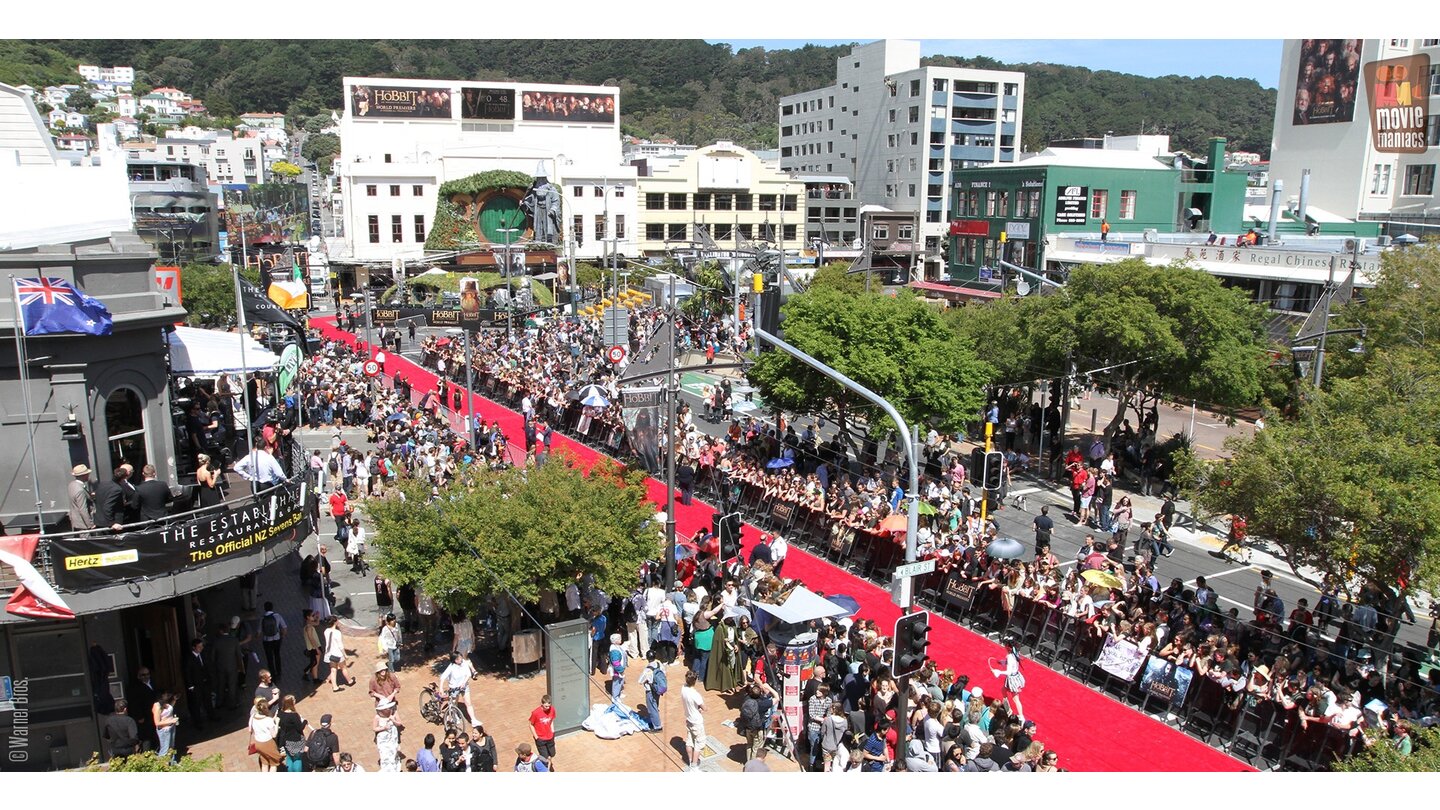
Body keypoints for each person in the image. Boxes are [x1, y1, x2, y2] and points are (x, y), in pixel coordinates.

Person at [247, 697, 283, 772]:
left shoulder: (253, 717)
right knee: (273, 764)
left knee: (264, 762)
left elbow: (251, 729)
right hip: (268, 743)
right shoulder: (268, 720)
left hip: (258, 743)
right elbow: (274, 734)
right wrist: (277, 723)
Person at [681, 669, 706, 772]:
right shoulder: (695, 694)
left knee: (689, 741)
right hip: (696, 721)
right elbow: (704, 707)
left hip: (688, 718)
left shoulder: (683, 688)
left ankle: (691, 761)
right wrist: (700, 709)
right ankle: (694, 766)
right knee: (699, 744)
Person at [276, 694, 309, 772]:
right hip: (296, 740)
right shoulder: (293, 716)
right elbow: (300, 727)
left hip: (286, 740)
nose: (295, 701)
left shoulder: (280, 713)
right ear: (291, 703)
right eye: (294, 700)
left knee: (289, 758)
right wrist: (305, 722)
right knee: (297, 759)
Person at [639, 650, 667, 732]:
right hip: (658, 689)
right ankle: (654, 721)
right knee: (655, 705)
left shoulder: (648, 669)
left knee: (652, 708)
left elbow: (640, 681)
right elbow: (664, 673)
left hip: (650, 691)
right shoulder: (659, 664)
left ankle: (657, 726)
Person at [259, 601, 287, 681]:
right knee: (277, 655)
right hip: (277, 639)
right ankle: (279, 672)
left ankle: (272, 674)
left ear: (264, 608)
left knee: (269, 658)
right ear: (272, 608)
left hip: (267, 641)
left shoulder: (262, 618)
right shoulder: (277, 616)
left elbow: (258, 631)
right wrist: (282, 636)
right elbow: (284, 627)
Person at [529, 694, 557, 770]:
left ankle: (548, 762)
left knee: (552, 753)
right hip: (541, 738)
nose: (548, 708)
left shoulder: (552, 709)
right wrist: (536, 737)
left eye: (549, 706)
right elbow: (531, 725)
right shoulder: (536, 713)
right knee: (545, 756)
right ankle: (547, 769)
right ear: (542, 704)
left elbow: (551, 721)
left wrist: (552, 731)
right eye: (546, 706)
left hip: (550, 737)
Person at [323, 616, 350, 691]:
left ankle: (335, 686)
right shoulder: (337, 632)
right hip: (337, 654)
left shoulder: (326, 631)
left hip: (329, 653)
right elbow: (340, 645)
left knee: (333, 669)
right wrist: (345, 654)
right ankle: (349, 681)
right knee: (343, 668)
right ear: (335, 622)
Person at [68, 463, 95, 531]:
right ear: (84, 475)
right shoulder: (80, 490)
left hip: (76, 521)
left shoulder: (72, 485)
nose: (88, 475)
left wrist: (89, 495)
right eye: (87, 474)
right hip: (83, 524)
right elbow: (83, 509)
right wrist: (90, 524)